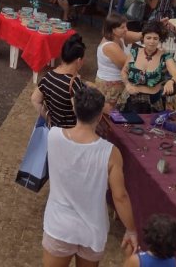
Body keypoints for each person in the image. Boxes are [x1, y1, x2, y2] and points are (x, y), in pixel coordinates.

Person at [43, 87, 138, 266]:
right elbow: (120, 196)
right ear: (100, 115)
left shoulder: (53, 136)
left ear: (74, 109)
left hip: (59, 226)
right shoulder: (110, 152)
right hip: (92, 229)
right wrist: (131, 230)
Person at [118, 21, 176, 114]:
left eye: (155, 38)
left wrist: (171, 81)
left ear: (159, 40)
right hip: (130, 99)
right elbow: (124, 72)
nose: (152, 42)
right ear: (143, 39)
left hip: (152, 103)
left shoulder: (165, 56)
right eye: (148, 38)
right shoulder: (134, 52)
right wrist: (127, 85)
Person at [32, 35, 86, 128]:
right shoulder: (73, 83)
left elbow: (35, 99)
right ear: (79, 60)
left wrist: (48, 117)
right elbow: (81, 114)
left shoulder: (48, 76)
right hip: (69, 134)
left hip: (53, 130)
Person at [95, 14, 143, 113]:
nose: (126, 29)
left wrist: (158, 28)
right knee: (112, 114)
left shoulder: (120, 36)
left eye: (126, 26)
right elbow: (129, 67)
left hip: (118, 83)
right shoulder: (110, 47)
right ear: (113, 29)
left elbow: (141, 35)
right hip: (111, 87)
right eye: (122, 27)